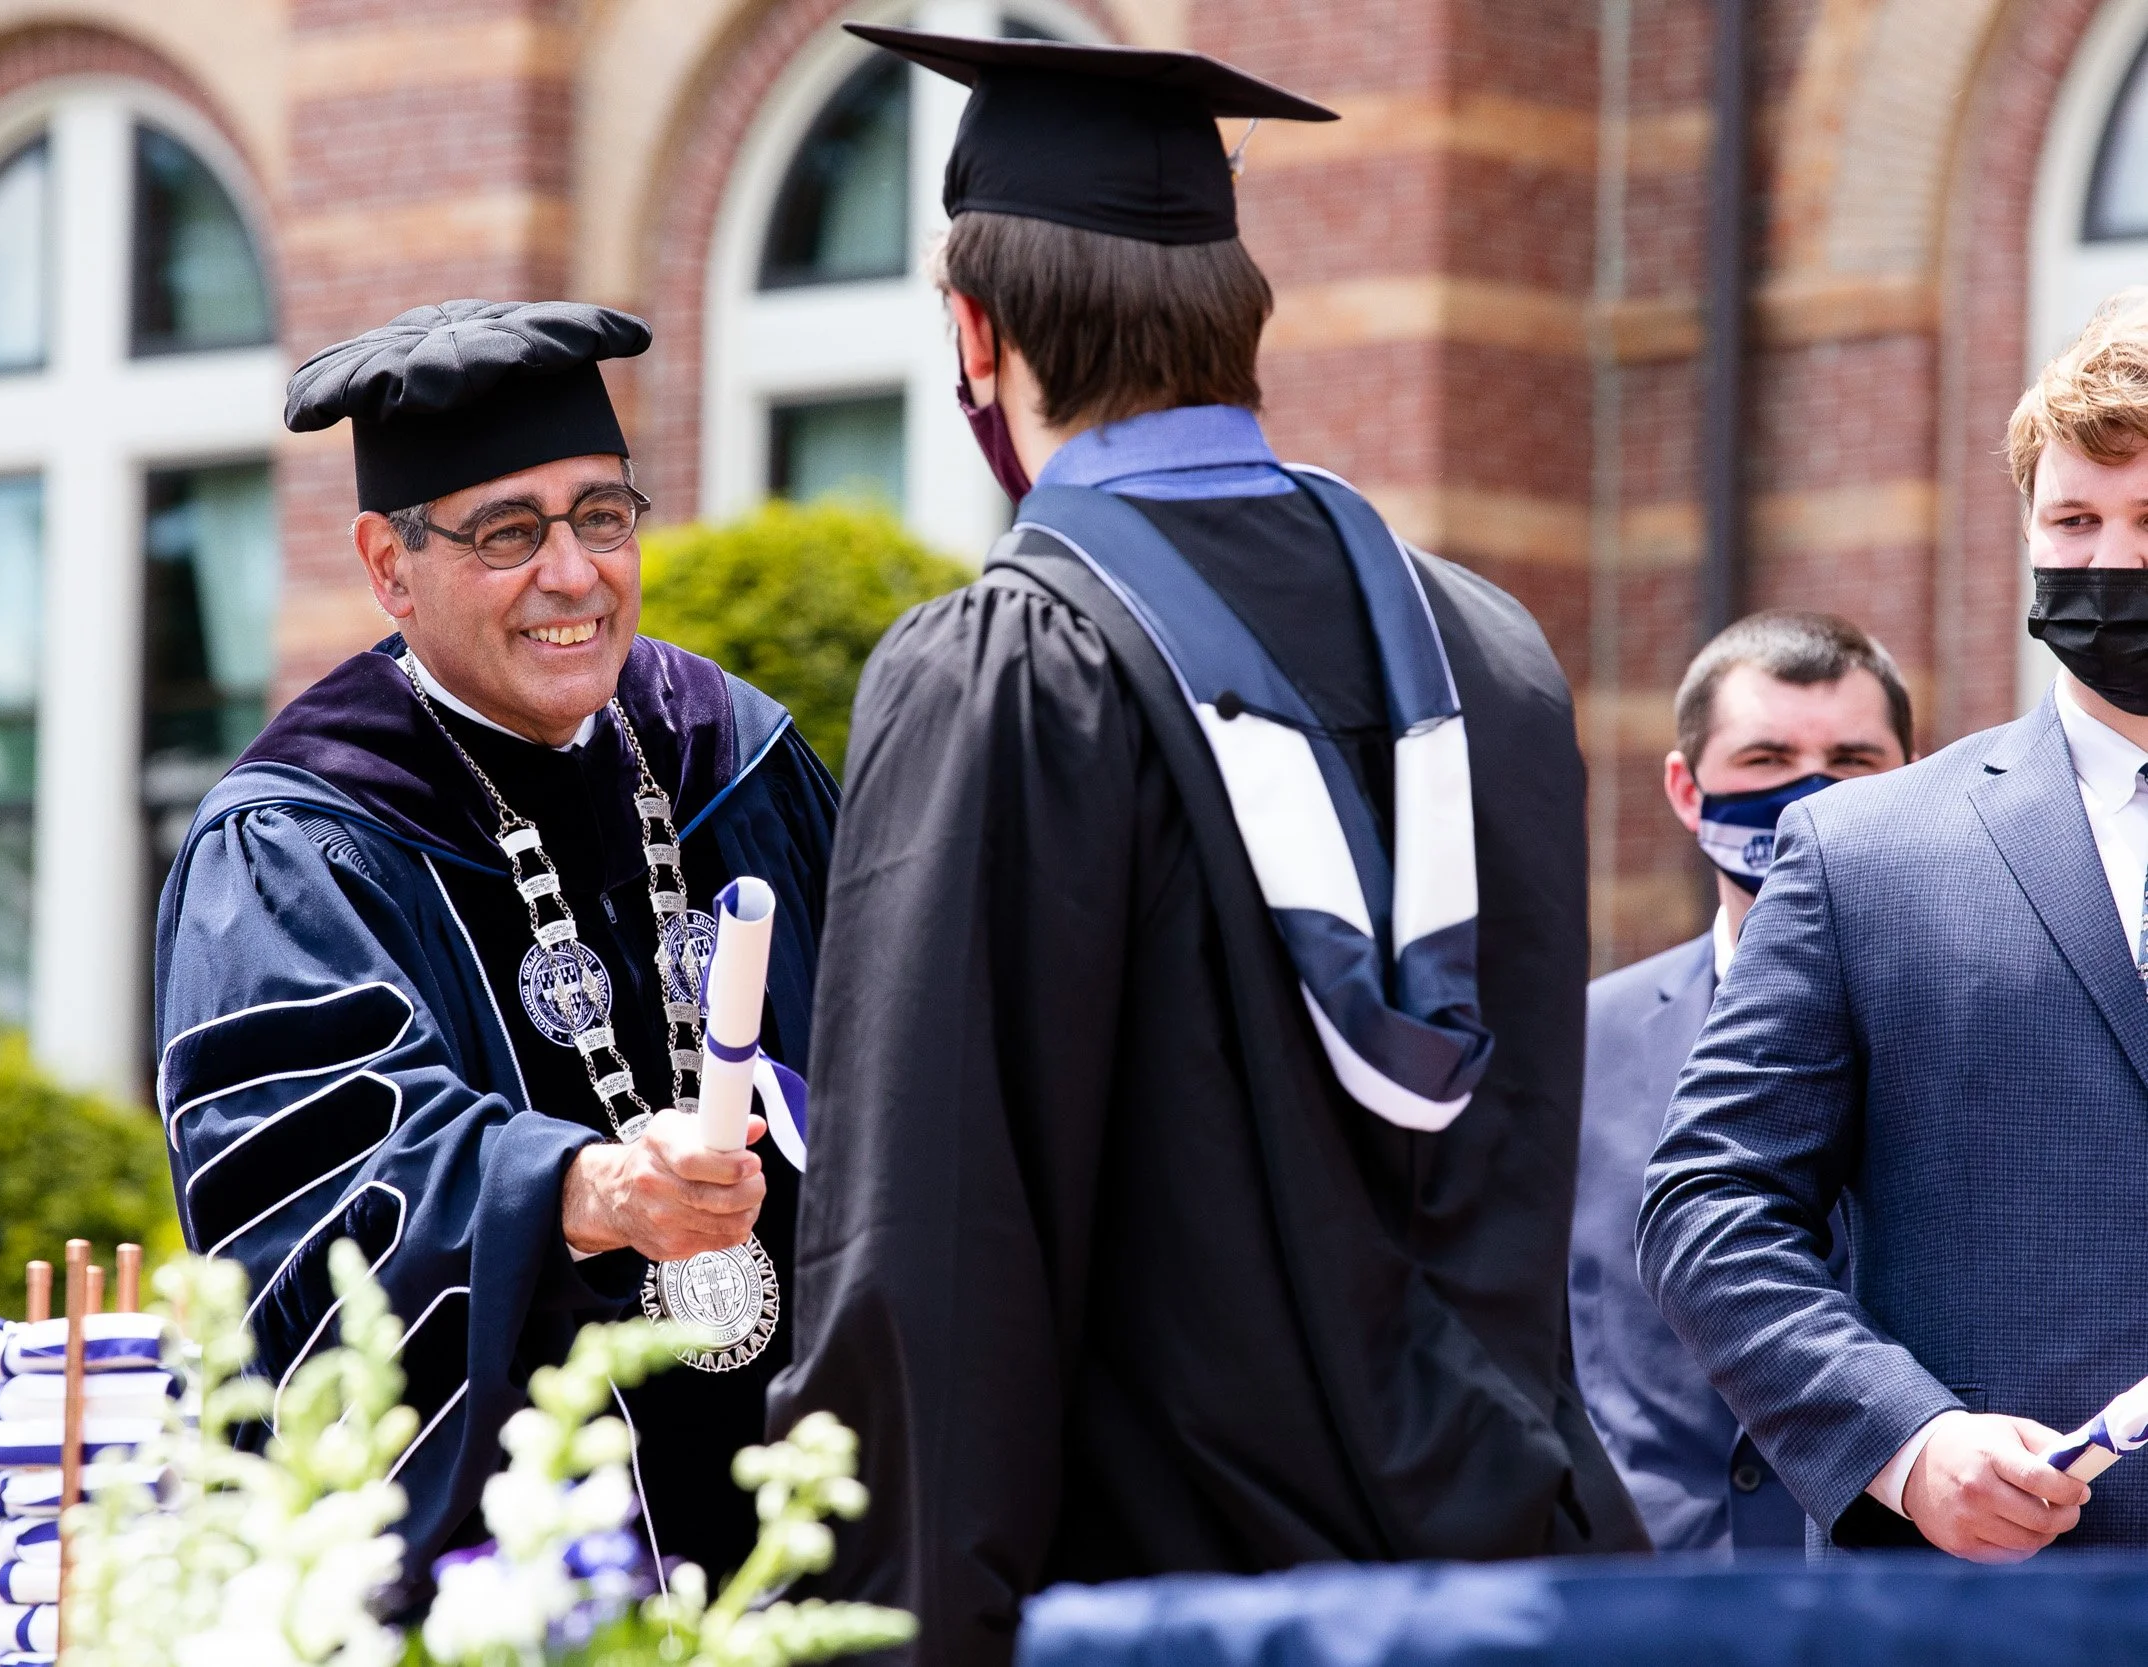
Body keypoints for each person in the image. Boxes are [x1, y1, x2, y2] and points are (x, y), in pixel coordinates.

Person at [767, 28, 1645, 1667]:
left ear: (975, 328)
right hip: (1513, 1588)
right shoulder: (1491, 662)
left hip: (1160, 1621)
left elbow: (938, 1260)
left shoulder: (1007, 670)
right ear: (1240, 318)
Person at [152, 300, 838, 1592]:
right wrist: (583, 1187)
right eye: (509, 532)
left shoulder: (734, 755)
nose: (575, 573)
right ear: (386, 564)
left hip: (803, 1550)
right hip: (498, 1586)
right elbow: (312, 1206)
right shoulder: (303, 842)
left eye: (604, 514)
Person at [1642, 292, 2148, 1558]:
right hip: (1997, 1602)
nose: (2106, 562)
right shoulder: (1870, 848)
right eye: (2072, 520)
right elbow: (1710, 1203)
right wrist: (1907, 1443)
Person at [1571, 611, 1911, 1553]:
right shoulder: (1579, 1041)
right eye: (1765, 758)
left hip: (1890, 1594)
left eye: (1852, 760)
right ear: (1687, 788)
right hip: (1639, 1598)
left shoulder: (1969, 1026)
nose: (1807, 796)